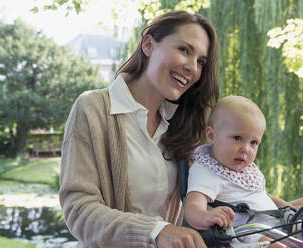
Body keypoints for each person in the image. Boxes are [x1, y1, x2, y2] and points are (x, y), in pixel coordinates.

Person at [59, 10, 220, 248]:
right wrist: (156, 231)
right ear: (148, 44)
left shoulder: (186, 124)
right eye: (184, 50)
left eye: (201, 62)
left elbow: (215, 188)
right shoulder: (93, 108)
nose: (192, 68)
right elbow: (79, 211)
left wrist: (282, 208)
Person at [184, 96, 303, 247]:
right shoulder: (206, 170)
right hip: (248, 236)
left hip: (277, 227)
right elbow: (192, 207)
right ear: (211, 135)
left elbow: (262, 196)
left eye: (253, 142)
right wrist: (205, 217)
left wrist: (291, 209)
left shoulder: (245, 169)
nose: (245, 149)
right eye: (237, 138)